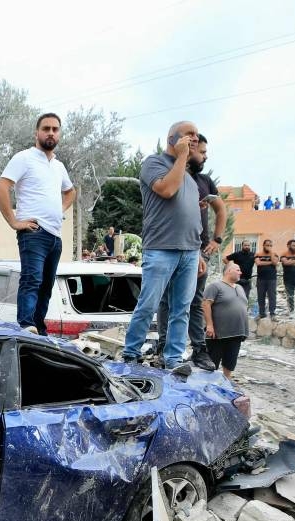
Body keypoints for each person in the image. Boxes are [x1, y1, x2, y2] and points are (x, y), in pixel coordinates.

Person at [120, 121, 201, 375]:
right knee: (149, 304)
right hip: (161, 248)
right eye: (189, 134)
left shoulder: (189, 179)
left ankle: (173, 359)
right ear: (172, 139)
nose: (195, 138)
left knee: (182, 309)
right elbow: (166, 190)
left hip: (190, 251)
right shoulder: (153, 163)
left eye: (197, 135)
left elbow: (192, 216)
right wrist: (182, 157)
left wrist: (198, 249)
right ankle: (131, 353)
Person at [0, 113, 76, 335]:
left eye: (55, 129)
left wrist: (59, 209)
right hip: (34, 232)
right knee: (32, 280)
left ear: (59, 134)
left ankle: (39, 331)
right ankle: (25, 326)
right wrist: (14, 222)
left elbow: (71, 192)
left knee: (46, 287)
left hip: (55, 236)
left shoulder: (58, 166)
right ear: (36, 133)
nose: (51, 133)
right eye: (46, 128)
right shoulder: (24, 158)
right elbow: (1, 188)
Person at [155, 133, 227, 372]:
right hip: (171, 246)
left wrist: (217, 239)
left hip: (197, 250)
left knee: (194, 300)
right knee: (165, 299)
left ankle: (199, 349)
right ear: (190, 149)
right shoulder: (172, 174)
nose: (205, 157)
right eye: (202, 152)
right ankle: (163, 347)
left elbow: (221, 209)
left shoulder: (204, 181)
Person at [201, 261, 248, 378]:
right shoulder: (215, 286)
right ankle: (208, 383)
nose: (240, 273)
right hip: (218, 333)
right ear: (228, 271)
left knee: (230, 362)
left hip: (237, 332)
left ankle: (226, 383)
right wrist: (209, 325)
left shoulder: (240, 288)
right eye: (238, 270)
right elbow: (206, 304)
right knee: (212, 362)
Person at [254, 239, 279, 320]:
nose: (268, 247)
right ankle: (262, 313)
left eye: (270, 245)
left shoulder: (274, 254)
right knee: (261, 296)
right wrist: (270, 262)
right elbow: (258, 263)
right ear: (263, 245)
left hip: (272, 279)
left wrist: (271, 253)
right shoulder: (258, 254)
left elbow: (275, 263)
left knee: (272, 296)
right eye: (267, 245)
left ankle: (272, 314)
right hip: (261, 279)